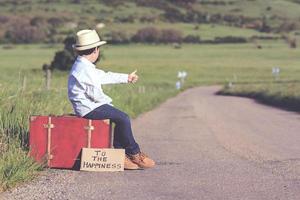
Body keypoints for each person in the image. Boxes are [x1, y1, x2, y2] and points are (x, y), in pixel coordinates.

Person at [68, 29, 155, 170]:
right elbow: (95, 95)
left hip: (89, 105)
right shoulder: (84, 70)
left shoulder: (84, 66)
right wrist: (109, 103)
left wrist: (126, 77)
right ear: (96, 50)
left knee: (119, 117)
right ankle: (134, 153)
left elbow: (104, 76)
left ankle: (120, 155)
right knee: (123, 118)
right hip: (88, 108)